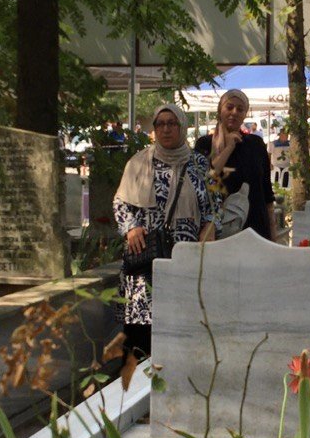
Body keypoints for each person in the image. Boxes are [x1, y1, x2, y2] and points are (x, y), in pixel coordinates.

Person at [113, 103, 215, 359]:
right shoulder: (138, 162)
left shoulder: (199, 164)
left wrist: (210, 227)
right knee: (141, 326)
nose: (166, 129)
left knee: (180, 322)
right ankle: (135, 386)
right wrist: (131, 227)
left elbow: (214, 206)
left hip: (185, 254)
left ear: (182, 127)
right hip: (146, 252)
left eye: (172, 124)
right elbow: (120, 201)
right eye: (160, 124)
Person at [195, 89, 276, 241]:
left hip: (256, 227)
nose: (234, 112)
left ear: (245, 114)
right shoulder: (205, 144)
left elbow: (266, 192)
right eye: (229, 107)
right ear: (220, 110)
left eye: (240, 109)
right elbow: (204, 179)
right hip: (220, 230)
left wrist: (273, 234)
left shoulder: (256, 144)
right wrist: (228, 148)